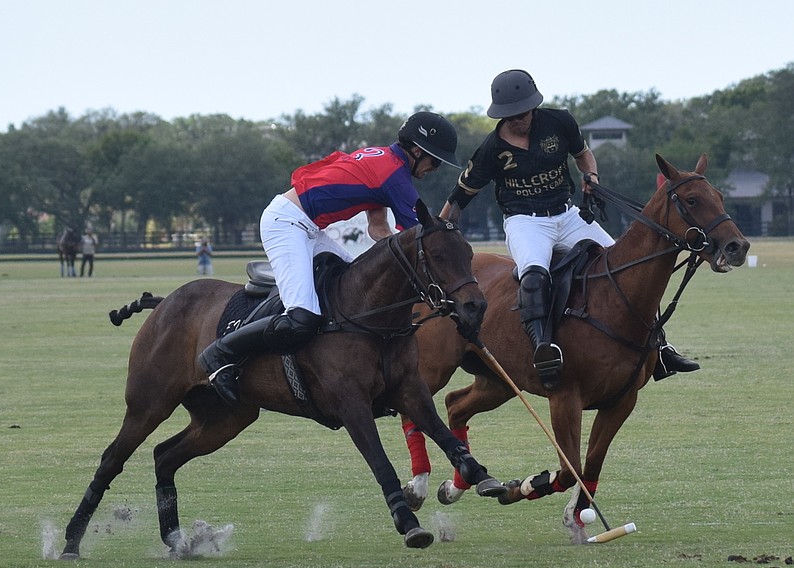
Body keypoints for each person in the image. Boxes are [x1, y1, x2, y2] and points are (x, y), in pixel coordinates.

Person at [439, 69, 699, 389]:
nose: (518, 120)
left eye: (523, 113)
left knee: (629, 267)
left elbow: (583, 154)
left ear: (533, 106)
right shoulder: (491, 150)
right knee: (534, 275)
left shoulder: (559, 122)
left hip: (568, 215)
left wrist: (591, 177)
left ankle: (659, 347)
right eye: (511, 116)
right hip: (526, 222)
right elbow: (460, 196)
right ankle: (543, 349)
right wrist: (440, 231)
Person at [198, 111, 461, 404]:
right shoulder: (395, 177)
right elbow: (425, 237)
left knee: (353, 288)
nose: (435, 168)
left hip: (308, 227)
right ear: (416, 150)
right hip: (286, 223)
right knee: (301, 317)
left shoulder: (386, 160)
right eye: (435, 160)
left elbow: (378, 229)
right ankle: (220, 353)